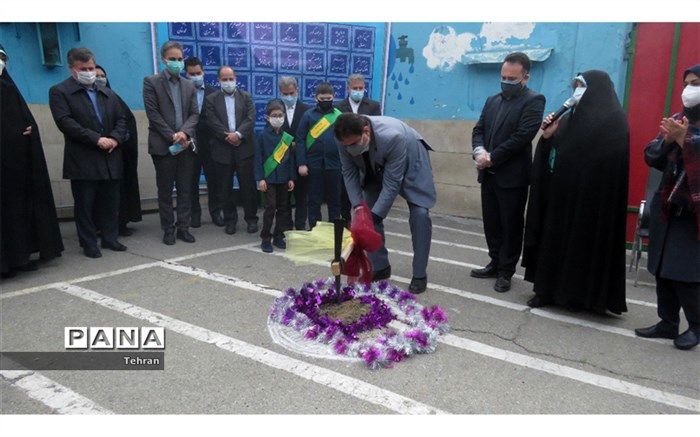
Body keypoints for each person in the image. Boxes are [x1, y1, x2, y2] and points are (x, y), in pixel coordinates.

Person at [522, 70, 629, 315]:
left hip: (592, 202)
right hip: (561, 197)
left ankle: (580, 297)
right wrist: (548, 137)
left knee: (582, 248)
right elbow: (556, 153)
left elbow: (612, 165)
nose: (577, 91)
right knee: (554, 242)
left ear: (597, 89)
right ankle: (546, 290)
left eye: (582, 86)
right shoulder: (568, 119)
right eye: (576, 86)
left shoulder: (614, 120)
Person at [635, 64, 700, 350]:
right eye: (687, 83)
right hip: (667, 205)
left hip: (693, 212)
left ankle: (696, 327)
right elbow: (651, 153)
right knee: (661, 266)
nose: (689, 89)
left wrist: (686, 140)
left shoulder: (685, 128)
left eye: (696, 83)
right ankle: (667, 321)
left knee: (684, 272)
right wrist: (670, 140)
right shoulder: (677, 118)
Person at [334, 113, 437, 294]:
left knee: (420, 214)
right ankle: (380, 266)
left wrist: (375, 216)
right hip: (374, 167)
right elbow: (348, 172)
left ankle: (420, 274)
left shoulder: (393, 137)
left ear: (366, 131)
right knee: (367, 211)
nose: (349, 149)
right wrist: (359, 209)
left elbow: (392, 182)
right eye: (346, 146)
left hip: (412, 162)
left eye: (353, 144)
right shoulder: (344, 138)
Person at [470, 52, 545, 293]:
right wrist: (479, 150)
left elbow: (522, 136)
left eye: (512, 78)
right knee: (491, 223)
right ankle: (494, 261)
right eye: (503, 77)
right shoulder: (493, 100)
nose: (506, 81)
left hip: (512, 177)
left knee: (511, 225)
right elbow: (479, 129)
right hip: (488, 174)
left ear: (525, 77)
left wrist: (492, 157)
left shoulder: (534, 100)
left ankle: (506, 271)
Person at [49, 47, 129, 258]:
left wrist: (114, 138)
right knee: (85, 203)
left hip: (110, 156)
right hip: (83, 159)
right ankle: (89, 243)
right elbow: (65, 122)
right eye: (83, 68)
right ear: (72, 69)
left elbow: (122, 120)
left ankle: (110, 238)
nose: (89, 72)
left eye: (91, 67)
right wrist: (96, 139)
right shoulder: (60, 92)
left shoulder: (107, 93)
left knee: (111, 201)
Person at [1, 44, 64, 277]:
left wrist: (28, 131)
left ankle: (19, 258)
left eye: (2, 57)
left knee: (17, 214)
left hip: (16, 171)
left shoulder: (8, 87)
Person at [143, 41, 199, 245]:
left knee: (185, 189)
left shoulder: (189, 85)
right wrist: (172, 135)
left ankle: (183, 227)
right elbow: (153, 114)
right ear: (164, 59)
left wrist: (184, 132)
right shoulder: (151, 82)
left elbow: (195, 114)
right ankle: (168, 229)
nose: (177, 62)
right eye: (172, 59)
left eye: (179, 59)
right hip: (163, 146)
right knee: (165, 190)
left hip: (185, 145)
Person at [203, 66, 257, 235]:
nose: (228, 82)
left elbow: (251, 118)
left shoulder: (246, 97)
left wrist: (239, 134)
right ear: (219, 80)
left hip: (244, 148)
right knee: (224, 188)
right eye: (224, 79)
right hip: (222, 149)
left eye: (230, 78)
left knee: (248, 187)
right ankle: (230, 221)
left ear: (236, 78)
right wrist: (227, 136)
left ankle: (251, 219)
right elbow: (211, 120)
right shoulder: (211, 99)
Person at [95, 65, 142, 237]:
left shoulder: (114, 98)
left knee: (119, 192)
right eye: (96, 75)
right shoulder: (86, 100)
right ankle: (99, 227)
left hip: (118, 153)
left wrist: (116, 138)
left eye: (103, 76)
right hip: (95, 154)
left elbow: (125, 121)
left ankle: (120, 223)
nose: (100, 79)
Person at [335, 73, 382, 226]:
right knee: (346, 190)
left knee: (368, 191)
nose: (358, 91)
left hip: (367, 156)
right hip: (347, 154)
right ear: (348, 88)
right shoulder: (338, 107)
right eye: (355, 88)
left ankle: (365, 222)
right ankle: (347, 223)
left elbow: (377, 130)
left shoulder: (373, 106)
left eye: (361, 88)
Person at [295, 82, 343, 230]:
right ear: (316, 98)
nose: (326, 101)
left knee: (335, 201)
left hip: (335, 165)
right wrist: (301, 163)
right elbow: (300, 139)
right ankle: (315, 231)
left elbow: (346, 139)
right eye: (322, 98)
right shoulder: (308, 115)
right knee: (314, 201)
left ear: (333, 97)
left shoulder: (339, 116)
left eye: (329, 98)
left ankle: (335, 233)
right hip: (313, 165)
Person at [254, 100, 296, 253]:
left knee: (283, 209)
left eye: (280, 115)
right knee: (270, 208)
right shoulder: (262, 136)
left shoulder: (286, 137)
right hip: (269, 179)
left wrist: (292, 178)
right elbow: (258, 159)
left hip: (284, 178)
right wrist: (260, 179)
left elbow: (291, 160)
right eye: (274, 115)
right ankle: (266, 238)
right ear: (267, 118)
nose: (277, 118)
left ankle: (279, 236)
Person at [184, 56, 218, 228]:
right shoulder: (182, 91)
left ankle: (215, 213)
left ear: (203, 72)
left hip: (210, 145)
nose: (195, 76)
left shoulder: (213, 92)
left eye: (198, 73)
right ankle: (195, 215)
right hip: (189, 145)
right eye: (192, 74)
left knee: (214, 181)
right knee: (191, 182)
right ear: (186, 74)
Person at [278, 76, 310, 231]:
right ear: (280, 93)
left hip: (301, 160)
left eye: (291, 93)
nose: (289, 96)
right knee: (283, 197)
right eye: (285, 94)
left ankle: (300, 225)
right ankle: (286, 226)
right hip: (282, 159)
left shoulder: (306, 110)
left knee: (301, 195)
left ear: (297, 90)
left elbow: (310, 136)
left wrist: (298, 145)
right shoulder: (275, 110)